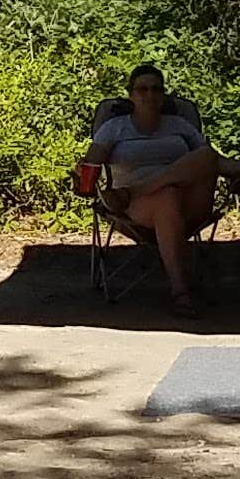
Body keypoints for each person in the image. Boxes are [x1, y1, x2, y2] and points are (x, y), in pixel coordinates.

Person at [87, 65, 221, 313]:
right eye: (142, 89)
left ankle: (139, 189)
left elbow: (214, 162)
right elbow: (90, 164)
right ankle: (181, 292)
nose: (150, 95)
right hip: (135, 208)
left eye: (157, 89)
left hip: (187, 202)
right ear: (131, 94)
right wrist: (83, 180)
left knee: (207, 155)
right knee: (166, 196)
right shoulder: (114, 128)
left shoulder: (179, 125)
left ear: (164, 95)